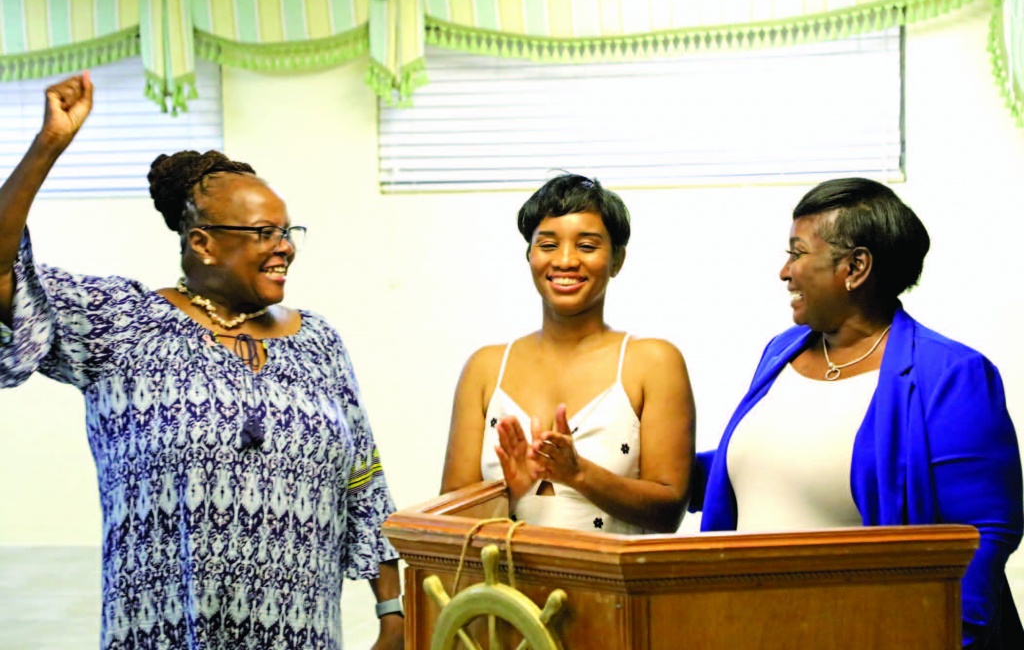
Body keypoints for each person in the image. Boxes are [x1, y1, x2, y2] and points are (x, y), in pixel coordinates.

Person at [0, 73, 404, 649]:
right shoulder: (121, 323)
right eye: (264, 232)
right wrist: (47, 147)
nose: (285, 245)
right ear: (203, 243)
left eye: (288, 232)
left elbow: (364, 482)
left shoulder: (319, 343)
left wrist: (393, 612)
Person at [689, 178, 1023, 648]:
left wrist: (946, 637)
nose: (784, 272)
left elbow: (981, 537)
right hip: (752, 629)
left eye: (798, 252)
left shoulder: (952, 374)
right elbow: (770, 466)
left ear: (855, 267)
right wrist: (658, 465)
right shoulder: (781, 352)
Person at [441, 174, 695, 534]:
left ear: (617, 260)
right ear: (529, 254)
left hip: (611, 589)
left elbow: (669, 510)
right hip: (501, 589)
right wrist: (508, 490)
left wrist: (578, 474)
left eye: (587, 247)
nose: (565, 260)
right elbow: (448, 517)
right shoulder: (485, 368)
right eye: (547, 245)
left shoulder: (654, 362)